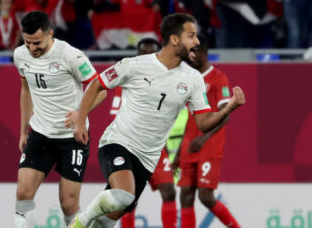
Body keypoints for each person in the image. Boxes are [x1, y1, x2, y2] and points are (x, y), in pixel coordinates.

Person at [69, 12, 246, 228]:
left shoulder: (193, 79)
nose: (197, 42)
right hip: (118, 143)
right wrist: (80, 120)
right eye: (191, 36)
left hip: (147, 159)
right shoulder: (134, 65)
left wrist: (229, 108)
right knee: (124, 195)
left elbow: (203, 123)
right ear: (174, 39)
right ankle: (80, 221)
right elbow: (97, 84)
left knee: (108, 220)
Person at [13, 11, 106, 227]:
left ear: (50, 34)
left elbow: (100, 90)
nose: (32, 49)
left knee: (68, 203)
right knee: (23, 192)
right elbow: (25, 90)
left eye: (37, 43)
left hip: (71, 138)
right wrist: (24, 131)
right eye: (27, 43)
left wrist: (80, 115)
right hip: (40, 134)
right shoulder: (20, 55)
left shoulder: (70, 55)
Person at [171, 35, 240, 228]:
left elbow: (225, 113)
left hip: (209, 146)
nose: (190, 56)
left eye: (193, 52)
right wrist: (177, 153)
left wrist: (204, 138)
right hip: (188, 147)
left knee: (205, 196)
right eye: (189, 52)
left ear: (204, 52)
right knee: (185, 195)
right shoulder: (189, 80)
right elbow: (188, 119)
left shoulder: (218, 78)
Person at [110, 38, 178, 228]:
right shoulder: (126, 81)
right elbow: (117, 117)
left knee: (169, 191)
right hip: (130, 147)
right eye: (144, 53)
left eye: (152, 53)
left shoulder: (167, 82)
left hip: (156, 147)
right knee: (130, 197)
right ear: (137, 55)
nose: (148, 57)